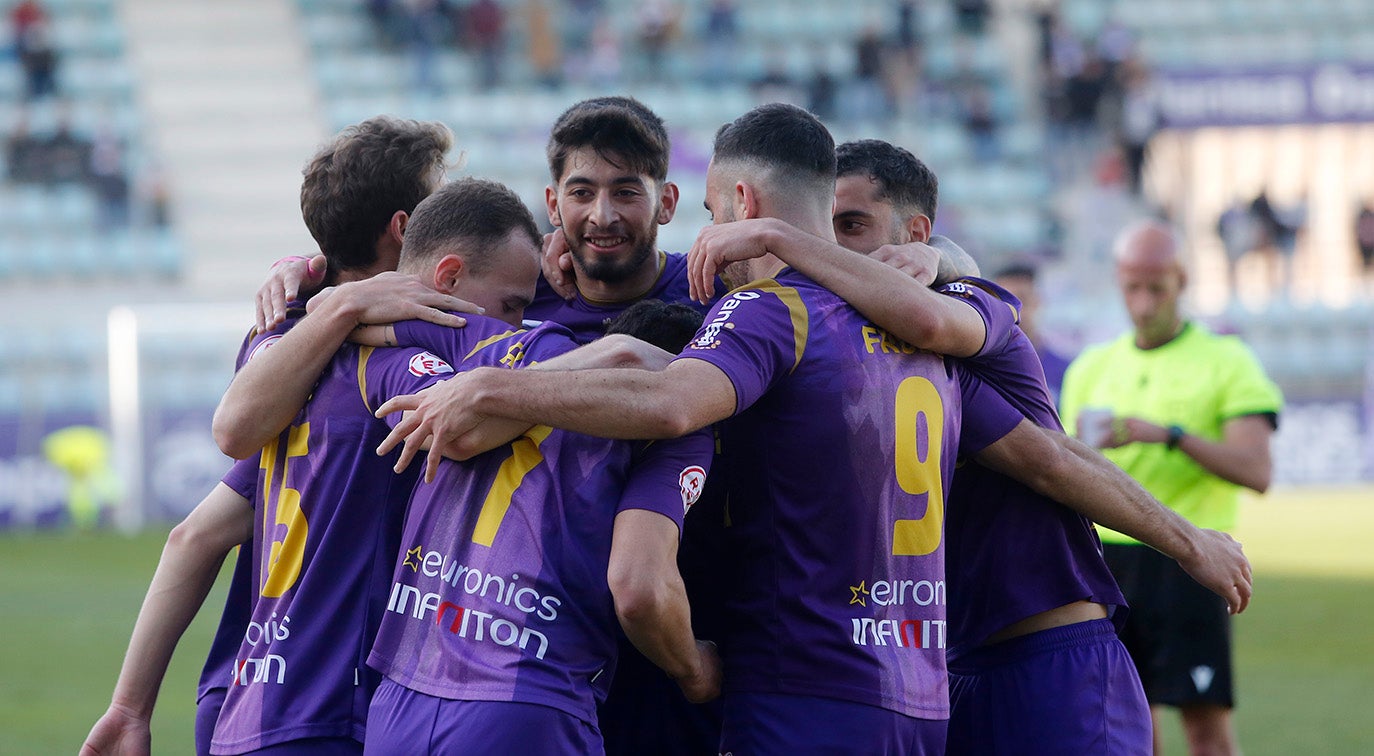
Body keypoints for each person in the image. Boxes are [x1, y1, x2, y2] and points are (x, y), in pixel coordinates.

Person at [680, 138, 1252, 754]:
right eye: (826, 226)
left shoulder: (963, 310)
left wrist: (1189, 542)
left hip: (1048, 656)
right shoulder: (834, 342)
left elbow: (1050, 457)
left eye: (852, 226)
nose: (834, 247)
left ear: (914, 234)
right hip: (938, 672)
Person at [83, 116, 467, 756]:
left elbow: (194, 534)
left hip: (239, 694)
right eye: (442, 203)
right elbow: (231, 432)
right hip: (335, 706)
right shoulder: (412, 352)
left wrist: (129, 708)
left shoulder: (283, 338)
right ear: (405, 227)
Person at [361, 286, 718, 755]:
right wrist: (694, 669)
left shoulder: (502, 345)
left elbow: (350, 315)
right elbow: (638, 588)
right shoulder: (676, 425)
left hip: (399, 701)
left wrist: (312, 289)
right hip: (527, 702)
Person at [1060, 219, 1282, 756]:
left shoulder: (1226, 360)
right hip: (1106, 563)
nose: (1142, 302)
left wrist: (1169, 437)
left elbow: (1257, 471)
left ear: (1181, 279)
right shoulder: (1091, 367)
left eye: (1155, 287)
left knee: (1205, 728)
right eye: (1132, 287)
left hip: (1192, 560)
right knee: (1130, 724)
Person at [992, 261, 1073, 401]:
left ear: (1038, 301)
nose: (1012, 312)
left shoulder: (1065, 372)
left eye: (1020, 300)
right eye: (1002, 302)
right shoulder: (979, 372)